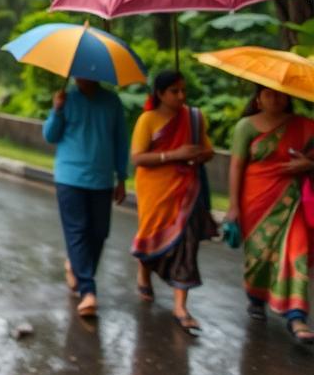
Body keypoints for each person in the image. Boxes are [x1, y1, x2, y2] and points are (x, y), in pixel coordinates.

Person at [226, 85, 314, 344]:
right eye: (269, 93)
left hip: (292, 201)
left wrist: (308, 164)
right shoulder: (246, 127)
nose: (276, 98)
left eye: (281, 93)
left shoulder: (305, 126)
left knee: (297, 251)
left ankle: (297, 316)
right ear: (258, 99)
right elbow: (236, 167)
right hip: (255, 202)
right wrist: (233, 206)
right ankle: (256, 298)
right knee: (258, 258)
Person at [130, 71, 215, 334]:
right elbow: (138, 158)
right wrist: (173, 155)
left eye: (182, 90)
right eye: (174, 91)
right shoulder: (148, 119)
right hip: (155, 191)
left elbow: (209, 150)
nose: (181, 96)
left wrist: (197, 154)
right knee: (152, 237)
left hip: (187, 191)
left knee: (186, 245)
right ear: (160, 94)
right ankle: (144, 272)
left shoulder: (194, 117)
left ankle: (180, 307)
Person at [43, 77, 128, 318]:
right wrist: (57, 110)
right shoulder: (67, 98)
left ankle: (76, 266)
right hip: (70, 177)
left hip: (101, 179)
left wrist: (122, 177)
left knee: (99, 232)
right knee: (77, 230)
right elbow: (50, 135)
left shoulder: (112, 102)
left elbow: (121, 141)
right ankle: (88, 291)